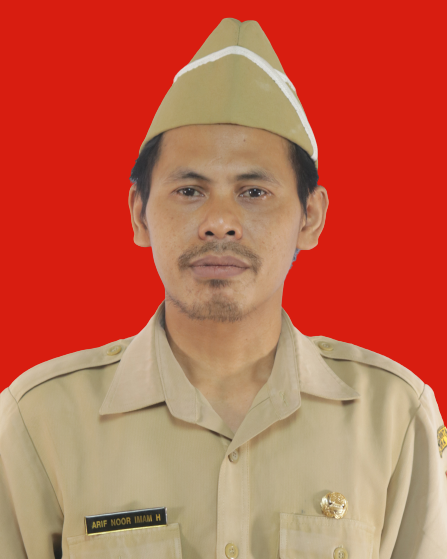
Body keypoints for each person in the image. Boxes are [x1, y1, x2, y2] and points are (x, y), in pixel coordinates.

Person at [1, 17, 446, 559]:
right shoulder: (40, 420)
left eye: (253, 192)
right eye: (190, 190)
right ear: (139, 214)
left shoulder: (394, 416)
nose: (219, 223)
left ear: (310, 217)